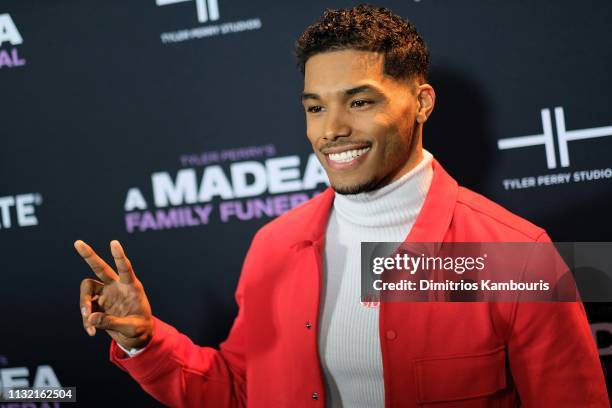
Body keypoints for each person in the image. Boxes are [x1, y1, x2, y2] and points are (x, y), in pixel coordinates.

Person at [75, 4, 608, 407]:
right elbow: (241, 391)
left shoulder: (517, 255)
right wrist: (147, 343)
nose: (332, 131)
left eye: (360, 101)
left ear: (421, 102)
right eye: (315, 107)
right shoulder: (274, 245)